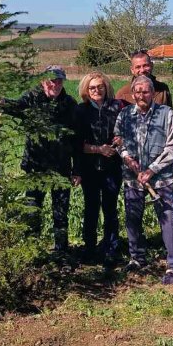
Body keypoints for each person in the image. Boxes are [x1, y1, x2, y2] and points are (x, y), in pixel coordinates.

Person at [0, 66, 80, 256]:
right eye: (51, 80)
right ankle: (32, 251)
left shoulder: (69, 104)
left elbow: (76, 140)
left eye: (59, 80)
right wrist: (1, 103)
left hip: (61, 167)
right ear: (43, 81)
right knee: (32, 209)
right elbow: (17, 107)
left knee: (60, 212)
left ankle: (61, 251)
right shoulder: (32, 98)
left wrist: (77, 169)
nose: (55, 84)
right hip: (35, 166)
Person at [114, 75, 173, 285]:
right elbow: (118, 139)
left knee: (168, 220)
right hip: (133, 179)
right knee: (133, 219)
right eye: (138, 92)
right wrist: (127, 158)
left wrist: (151, 170)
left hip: (161, 179)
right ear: (133, 94)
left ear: (153, 93)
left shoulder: (166, 113)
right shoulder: (125, 114)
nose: (141, 95)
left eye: (145, 91)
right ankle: (137, 258)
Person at [73, 72, 126, 269]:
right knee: (91, 208)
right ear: (86, 90)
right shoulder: (81, 111)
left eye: (100, 87)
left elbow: (125, 129)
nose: (97, 90)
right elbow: (77, 144)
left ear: (106, 87)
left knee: (110, 209)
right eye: (92, 88)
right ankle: (89, 248)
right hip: (90, 168)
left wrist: (120, 139)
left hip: (112, 167)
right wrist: (98, 149)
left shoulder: (117, 106)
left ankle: (111, 248)